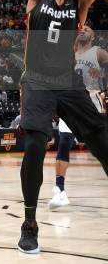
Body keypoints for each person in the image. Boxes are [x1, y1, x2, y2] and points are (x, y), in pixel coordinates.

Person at [18, 0, 108, 254]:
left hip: (67, 81)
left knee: (101, 141)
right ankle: (29, 223)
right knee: (34, 147)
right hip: (38, 80)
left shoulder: (79, 5)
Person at [49, 26, 108, 209]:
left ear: (93, 36)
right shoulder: (69, 52)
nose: (84, 29)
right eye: (81, 28)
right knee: (64, 142)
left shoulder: (97, 52)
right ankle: (59, 191)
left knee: (102, 149)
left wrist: (103, 75)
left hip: (91, 101)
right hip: (69, 101)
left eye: (87, 28)